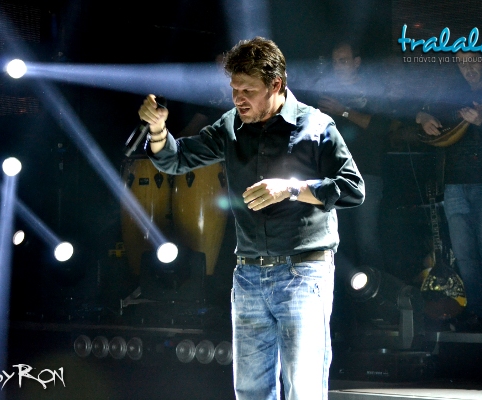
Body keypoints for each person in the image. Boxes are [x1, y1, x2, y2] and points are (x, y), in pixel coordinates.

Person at [138, 37, 364, 400]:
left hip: (304, 273)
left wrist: (291, 188)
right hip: (248, 276)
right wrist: (158, 130)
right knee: (250, 391)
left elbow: (353, 188)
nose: (238, 99)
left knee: (303, 388)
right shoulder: (230, 126)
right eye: (234, 89)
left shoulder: (316, 124)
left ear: (276, 85)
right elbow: (175, 159)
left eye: (248, 91)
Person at [415, 52, 482, 333]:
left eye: (472, 61)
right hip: (453, 186)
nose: (468, 67)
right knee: (464, 254)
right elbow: (418, 110)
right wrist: (423, 117)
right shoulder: (450, 94)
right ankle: (475, 312)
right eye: (462, 63)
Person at [315, 41, 391, 272]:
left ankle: (375, 289)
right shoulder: (328, 92)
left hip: (366, 173)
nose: (337, 65)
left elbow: (380, 126)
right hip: (334, 176)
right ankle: (343, 292)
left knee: (367, 239)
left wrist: (343, 111)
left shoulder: (372, 89)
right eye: (335, 61)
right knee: (337, 240)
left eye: (343, 60)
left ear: (357, 63)